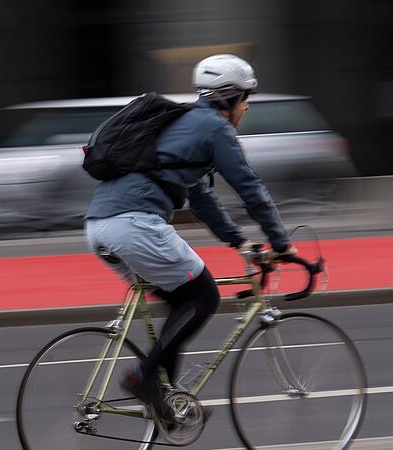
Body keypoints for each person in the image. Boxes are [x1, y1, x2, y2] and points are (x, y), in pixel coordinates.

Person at [84, 54, 295, 422]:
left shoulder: (183, 123)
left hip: (98, 225)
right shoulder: (215, 128)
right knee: (203, 296)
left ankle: (165, 400)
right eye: (246, 97)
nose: (247, 106)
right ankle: (144, 378)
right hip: (135, 223)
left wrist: (238, 241)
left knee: (181, 302)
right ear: (230, 96)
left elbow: (201, 197)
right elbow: (249, 187)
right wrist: (281, 243)